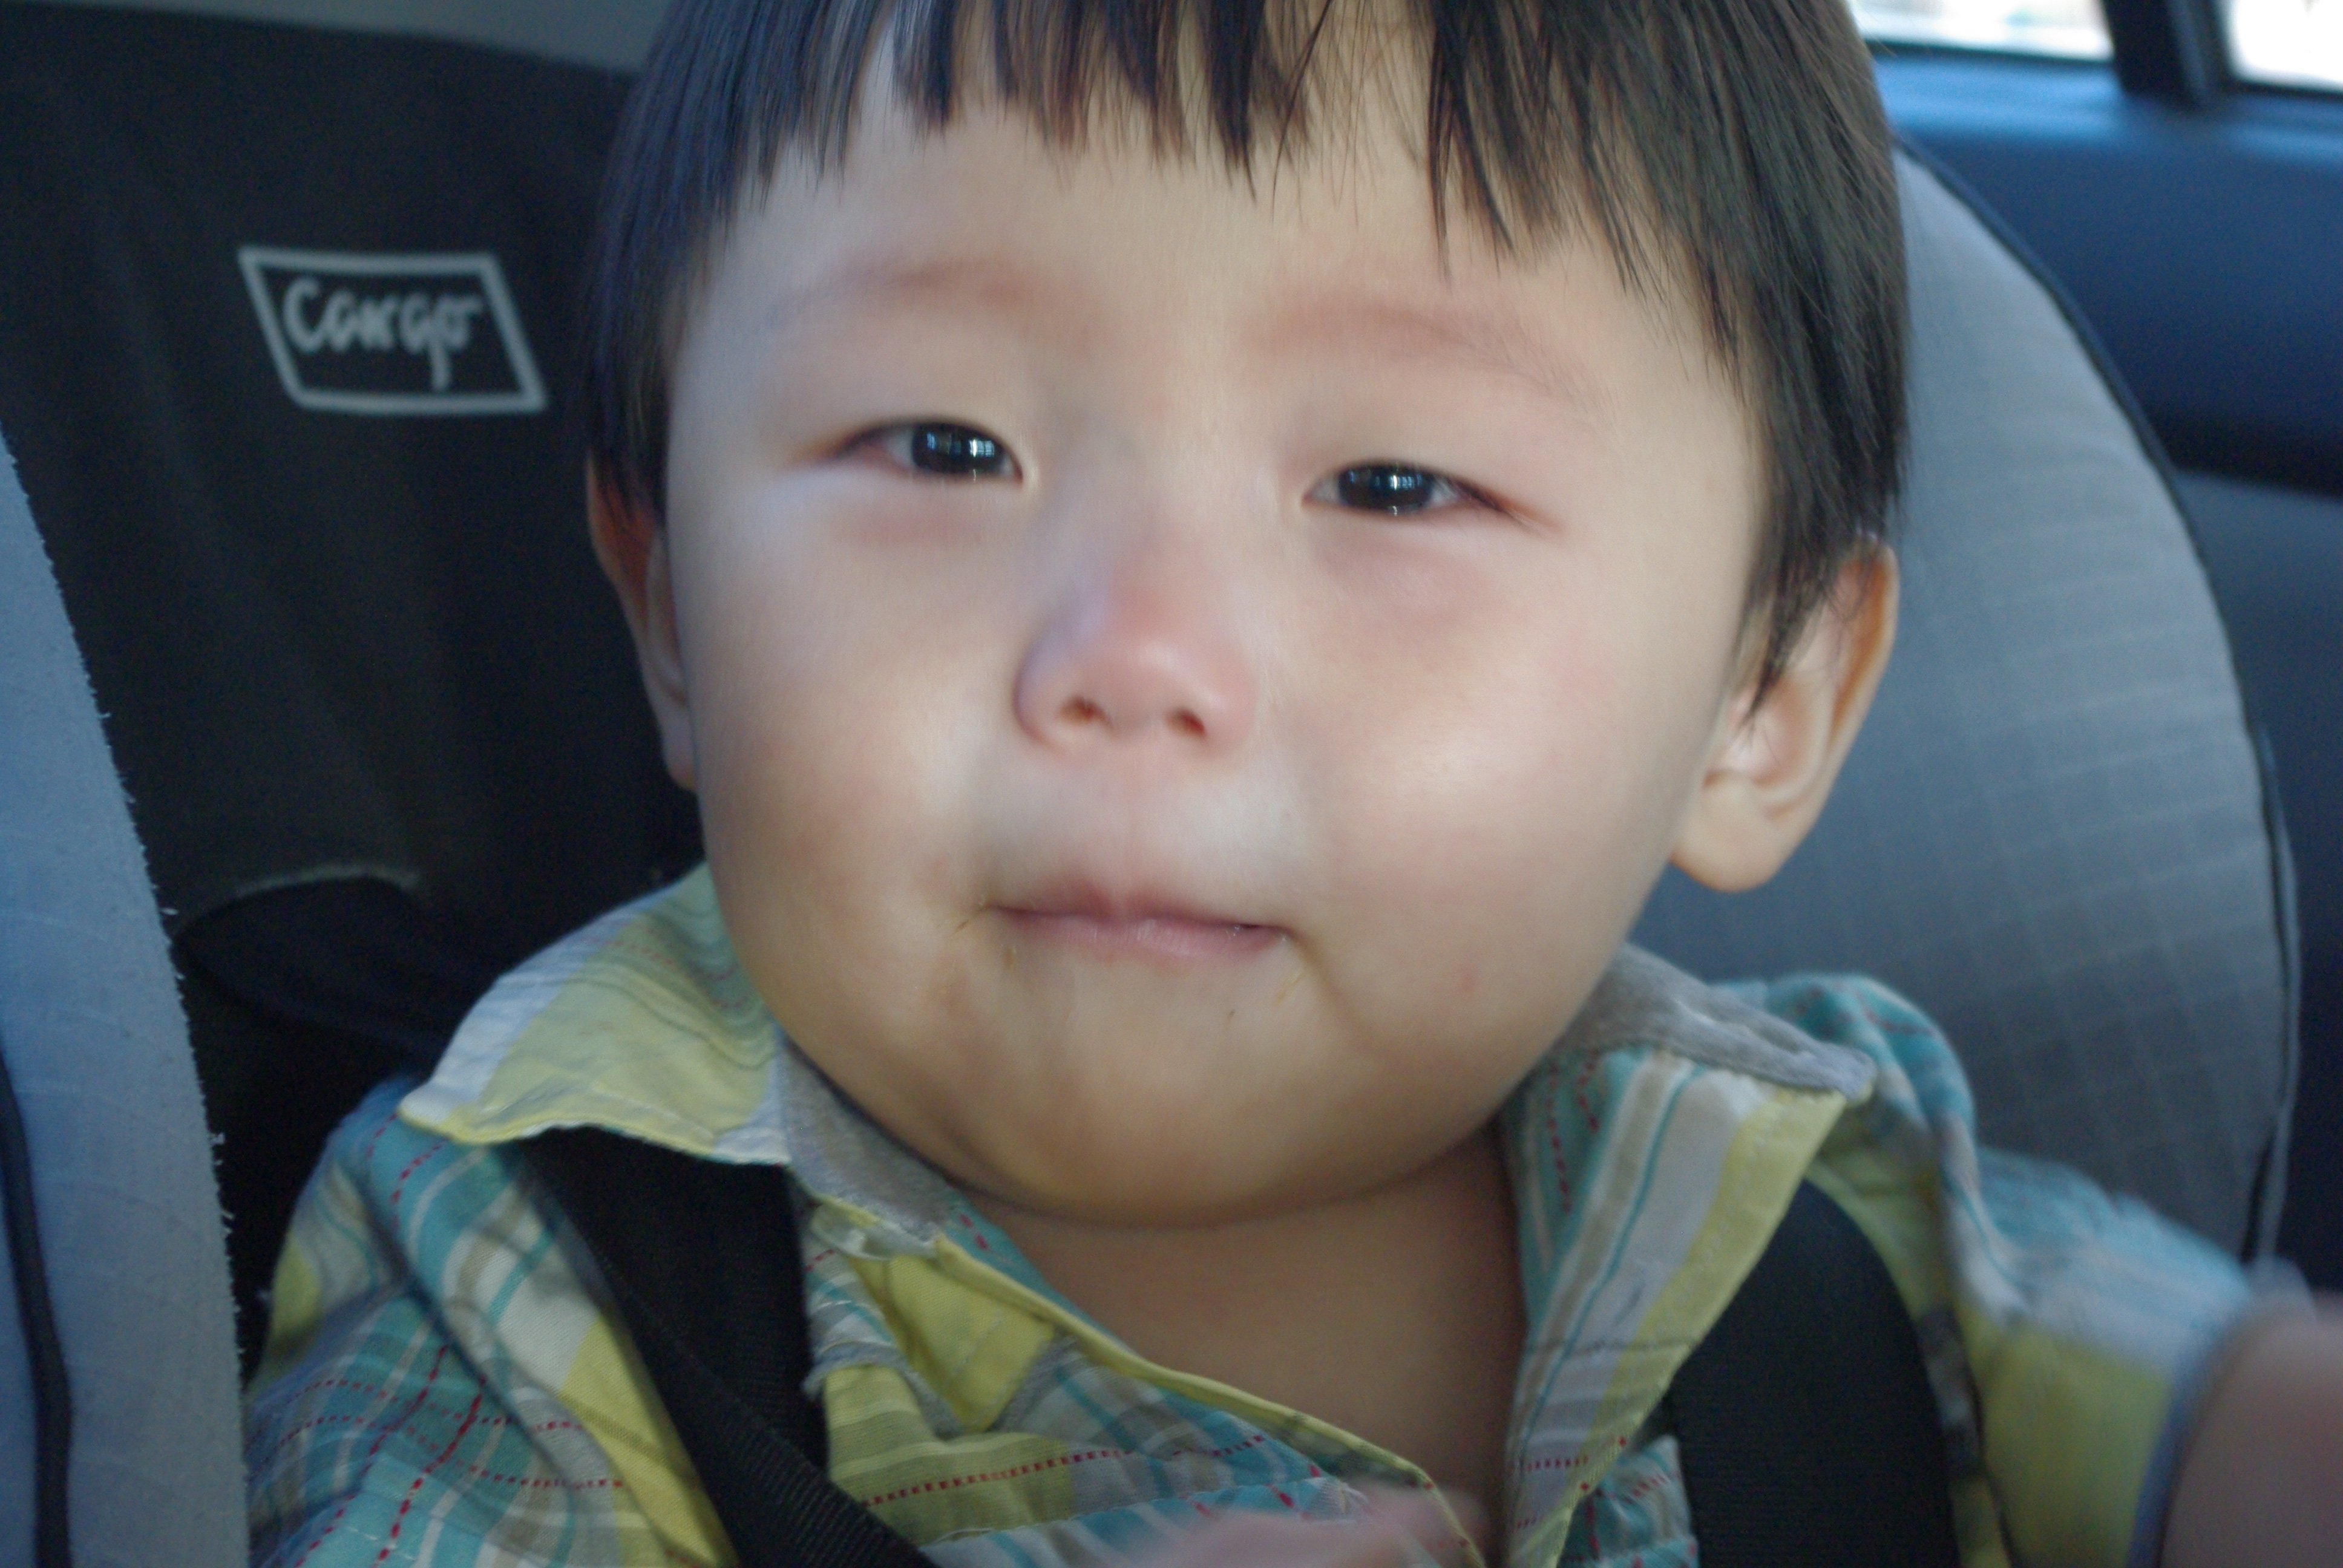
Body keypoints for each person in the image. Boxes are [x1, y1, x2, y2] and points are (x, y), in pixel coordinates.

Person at [241, 0, 2343, 1563]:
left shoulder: (1846, 1193)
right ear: (672, 618)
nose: (1137, 656)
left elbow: (2238, 1419)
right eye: (946, 450)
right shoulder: (516, 1275)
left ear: (1760, 698)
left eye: (1394, 485)